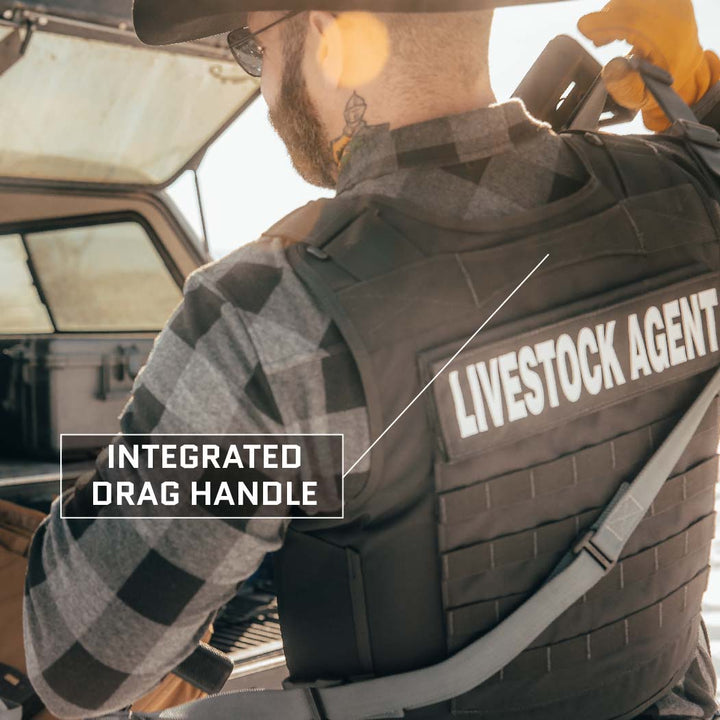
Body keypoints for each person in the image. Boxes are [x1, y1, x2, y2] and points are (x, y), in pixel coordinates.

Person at [22, 0, 720, 718]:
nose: (261, 87)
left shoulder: (271, 312)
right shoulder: (692, 203)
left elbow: (80, 666)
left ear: (329, 40)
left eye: (251, 48)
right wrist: (706, 100)